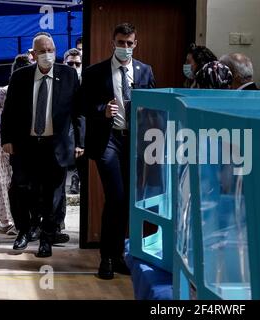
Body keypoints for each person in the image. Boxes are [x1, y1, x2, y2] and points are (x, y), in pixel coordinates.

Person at [82, 23, 155, 279]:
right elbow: (82, 106)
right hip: (108, 140)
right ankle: (106, 259)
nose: (125, 47)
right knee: (116, 197)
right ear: (113, 43)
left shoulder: (145, 71)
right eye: (121, 43)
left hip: (136, 143)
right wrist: (102, 110)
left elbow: (154, 108)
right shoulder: (95, 73)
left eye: (129, 43)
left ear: (136, 44)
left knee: (128, 201)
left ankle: (120, 255)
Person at [1, 34, 83, 257]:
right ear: (34, 54)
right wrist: (6, 139)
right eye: (43, 50)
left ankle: (46, 239)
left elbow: (78, 112)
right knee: (19, 190)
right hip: (25, 145)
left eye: (51, 49)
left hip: (55, 146)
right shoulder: (20, 77)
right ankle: (24, 231)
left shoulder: (68, 75)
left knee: (52, 195)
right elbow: (8, 111)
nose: (48, 54)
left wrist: (80, 142)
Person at [0, 54, 31, 236]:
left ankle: (7, 221)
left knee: (5, 180)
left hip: (3, 138)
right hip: (14, 139)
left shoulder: (5, 90)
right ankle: (12, 221)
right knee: (13, 180)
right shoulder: (10, 91)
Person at [63, 48, 84, 196]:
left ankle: (76, 179)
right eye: (70, 64)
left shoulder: (85, 83)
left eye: (77, 64)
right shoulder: (58, 81)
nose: (74, 68)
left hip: (79, 130)